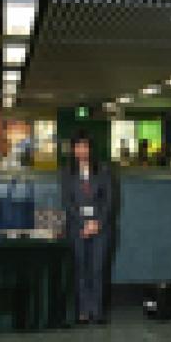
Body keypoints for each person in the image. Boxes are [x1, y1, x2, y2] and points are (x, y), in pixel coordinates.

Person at [60, 130, 113, 324]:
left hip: (101, 227)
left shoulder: (104, 169)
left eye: (85, 146)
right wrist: (83, 223)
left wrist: (97, 223)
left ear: (91, 149)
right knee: (81, 269)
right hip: (77, 227)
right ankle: (83, 311)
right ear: (73, 149)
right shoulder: (67, 172)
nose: (82, 150)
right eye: (78, 146)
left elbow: (109, 201)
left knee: (98, 269)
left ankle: (97, 311)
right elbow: (67, 201)